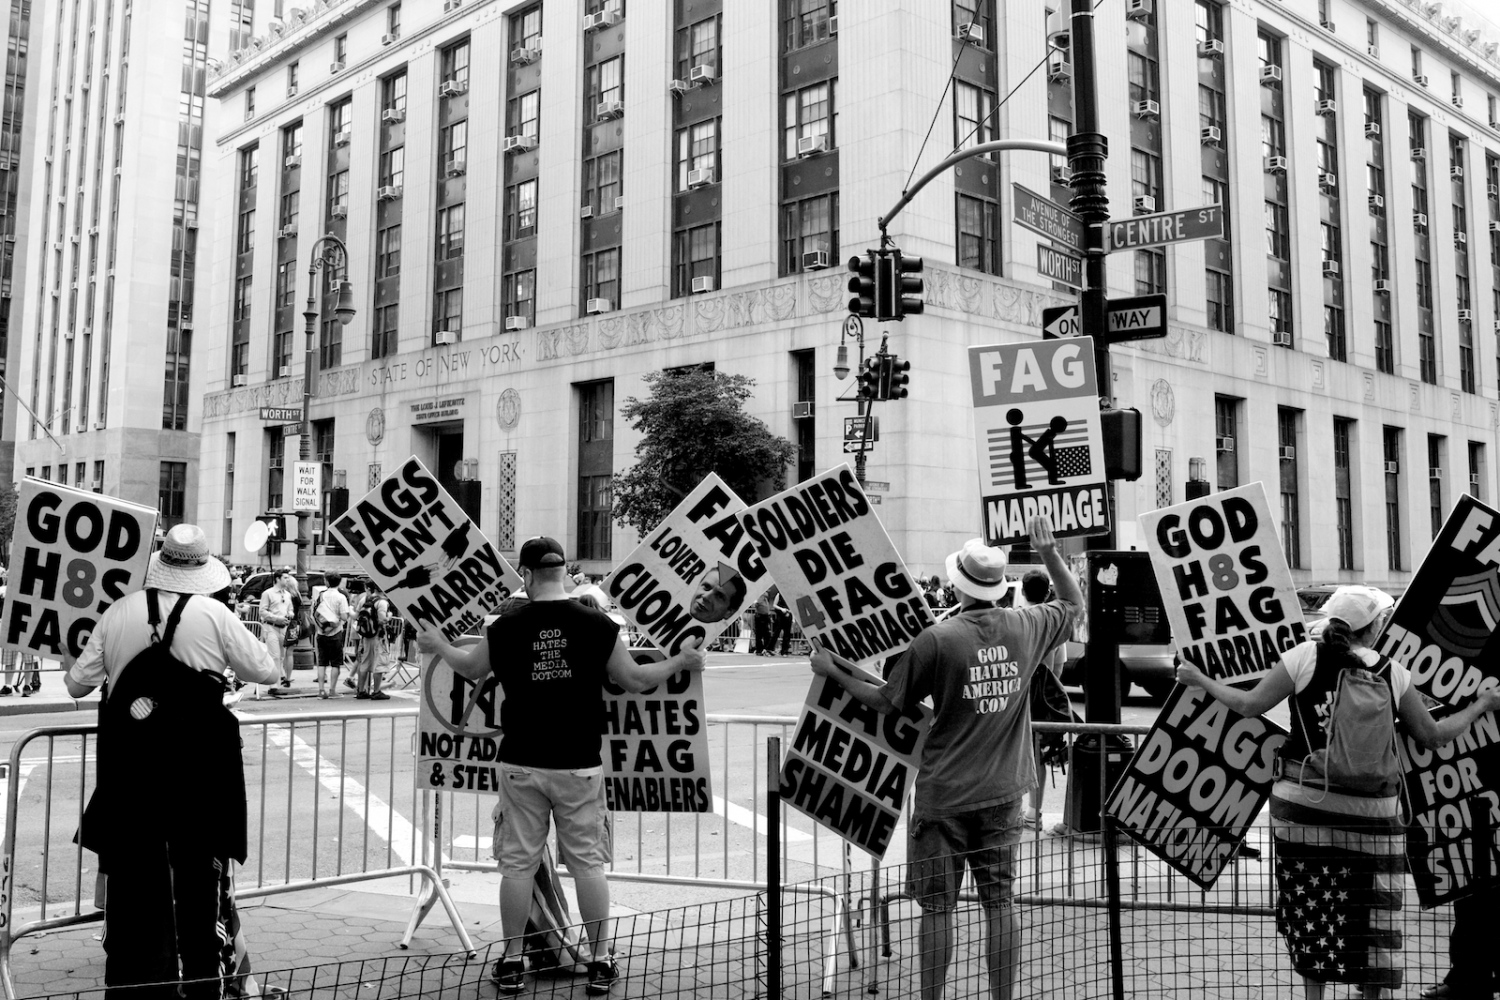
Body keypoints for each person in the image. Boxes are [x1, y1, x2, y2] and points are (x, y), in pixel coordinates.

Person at [1175, 585, 1500, 1000]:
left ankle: (1314, 997)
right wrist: (1480, 705)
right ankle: (1373, 995)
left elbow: (1248, 704)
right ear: (1376, 625)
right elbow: (1433, 736)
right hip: (1374, 811)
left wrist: (1198, 678)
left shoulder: (1303, 658)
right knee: (1373, 906)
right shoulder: (1393, 671)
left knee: (1311, 902)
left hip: (1302, 804)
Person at [416, 536, 706, 996]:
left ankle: (512, 963)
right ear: (565, 572)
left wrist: (436, 642)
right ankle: (599, 961)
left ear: (527, 575)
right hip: (579, 763)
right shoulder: (598, 624)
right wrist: (681, 661)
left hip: (520, 762)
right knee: (588, 865)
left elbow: (471, 669)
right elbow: (633, 679)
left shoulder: (505, 626)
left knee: (517, 865)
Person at [806, 517, 1082, 1000]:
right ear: (999, 587)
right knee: (1001, 902)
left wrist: (834, 672)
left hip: (943, 796)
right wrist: (1050, 552)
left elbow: (887, 702)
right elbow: (1075, 604)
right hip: (1003, 792)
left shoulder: (936, 640)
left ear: (956, 584)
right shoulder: (1028, 626)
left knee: (937, 908)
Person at [65, 524, 281, 999]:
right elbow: (268, 670)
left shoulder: (118, 612)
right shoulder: (215, 614)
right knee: (199, 887)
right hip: (198, 776)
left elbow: (77, 685)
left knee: (134, 884)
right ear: (203, 569)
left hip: (131, 775)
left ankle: (135, 985)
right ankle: (201, 983)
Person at [1018, 569, 1067, 831]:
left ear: (1023, 592)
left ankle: (1015, 810)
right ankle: (1033, 814)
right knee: (1039, 757)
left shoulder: (1016, 619)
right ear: (1048, 591)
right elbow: (1059, 667)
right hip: (1042, 703)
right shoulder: (1054, 623)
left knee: (1012, 753)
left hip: (1016, 698)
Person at [311, 572, 351, 699]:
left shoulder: (320, 595)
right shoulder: (341, 597)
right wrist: (335, 622)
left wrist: (322, 628)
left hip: (321, 633)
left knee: (321, 663)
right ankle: (332, 690)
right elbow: (344, 616)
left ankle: (321, 690)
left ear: (327, 582)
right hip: (336, 633)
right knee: (336, 663)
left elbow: (313, 613)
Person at [353, 584, 391, 701]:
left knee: (364, 662)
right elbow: (382, 619)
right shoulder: (382, 602)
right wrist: (389, 616)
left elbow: (357, 615)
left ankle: (361, 690)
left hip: (366, 636)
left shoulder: (364, 599)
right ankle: (376, 691)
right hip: (378, 636)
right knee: (379, 663)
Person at [259, 573, 295, 688]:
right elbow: (262, 611)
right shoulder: (268, 593)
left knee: (281, 656)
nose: (287, 580)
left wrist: (289, 615)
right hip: (271, 627)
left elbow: (290, 609)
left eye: (288, 578)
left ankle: (278, 680)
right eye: (285, 578)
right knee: (274, 655)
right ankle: (274, 684)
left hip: (283, 628)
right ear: (277, 579)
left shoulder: (288, 595)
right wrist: (277, 618)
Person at [769, 587, 794, 656]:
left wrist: (792, 615)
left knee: (787, 634)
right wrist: (781, 609)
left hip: (788, 615)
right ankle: (770, 648)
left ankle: (784, 651)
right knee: (776, 632)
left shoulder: (790, 596)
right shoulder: (779, 594)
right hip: (780, 615)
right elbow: (774, 605)